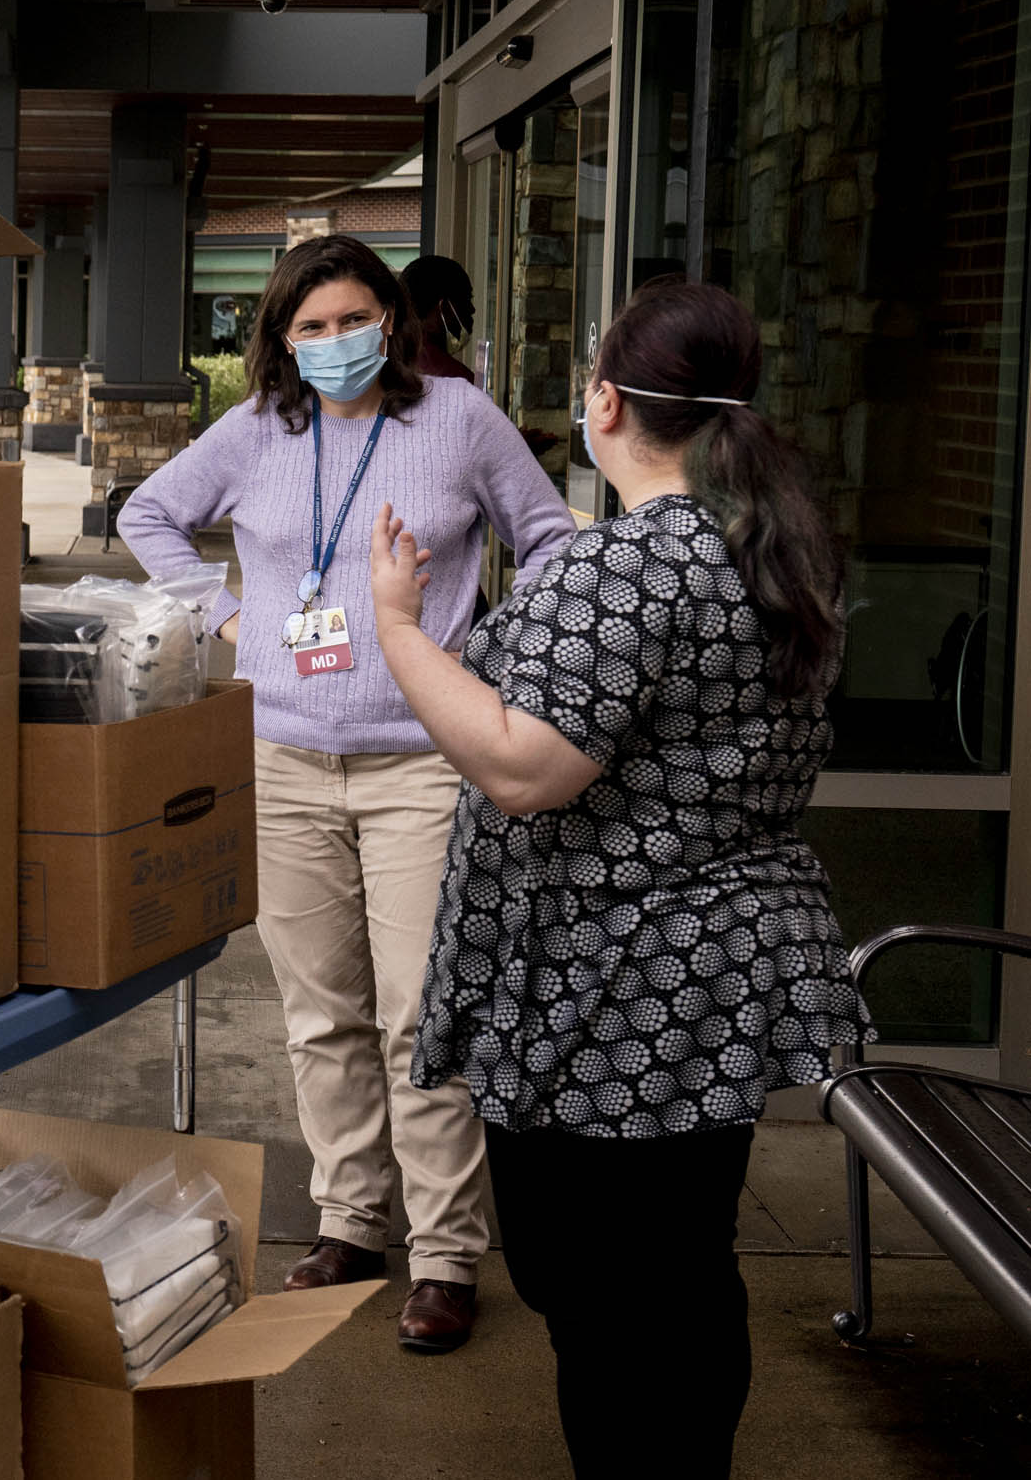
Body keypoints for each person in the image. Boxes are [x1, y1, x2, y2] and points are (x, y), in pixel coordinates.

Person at [368, 279, 865, 1477]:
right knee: (676, 1271)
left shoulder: (643, 558)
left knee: (601, 1289)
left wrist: (397, 625)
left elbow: (522, 766)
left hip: (618, 989)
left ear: (603, 401)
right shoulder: (773, 542)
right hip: (710, 977)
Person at [119, 234, 575, 1353]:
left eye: (351, 318)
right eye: (309, 326)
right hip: (281, 760)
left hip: (421, 762)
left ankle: (445, 1253)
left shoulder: (457, 422)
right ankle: (349, 1220)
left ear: (392, 317)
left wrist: (491, 659)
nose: (333, 343)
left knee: (420, 1012)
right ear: (280, 338)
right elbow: (148, 516)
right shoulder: (257, 431)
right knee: (320, 1012)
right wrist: (229, 618)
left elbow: (553, 535)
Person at [400, 254, 478, 386]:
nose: (472, 309)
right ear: (445, 308)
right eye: (466, 300)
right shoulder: (460, 382)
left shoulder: (391, 365)